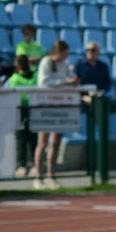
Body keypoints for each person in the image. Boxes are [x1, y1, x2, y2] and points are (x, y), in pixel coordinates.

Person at [33, 40, 79, 191]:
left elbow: (67, 79)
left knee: (56, 142)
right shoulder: (46, 62)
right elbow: (44, 82)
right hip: (45, 106)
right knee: (42, 142)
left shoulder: (65, 65)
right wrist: (64, 81)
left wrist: (72, 81)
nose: (66, 57)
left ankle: (51, 175)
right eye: (64, 53)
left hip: (60, 105)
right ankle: (38, 177)